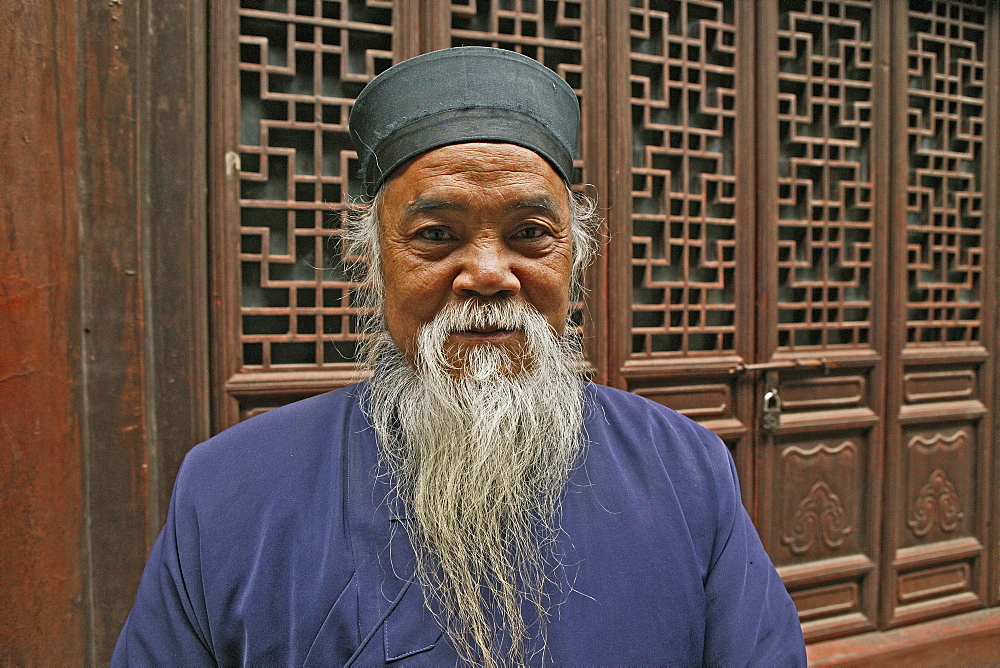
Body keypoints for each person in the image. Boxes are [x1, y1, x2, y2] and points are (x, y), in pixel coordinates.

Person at [113, 47, 806, 666]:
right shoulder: (230, 491)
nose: (486, 272)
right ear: (372, 261)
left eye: (529, 233)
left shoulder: (686, 471)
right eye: (436, 234)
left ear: (577, 256)